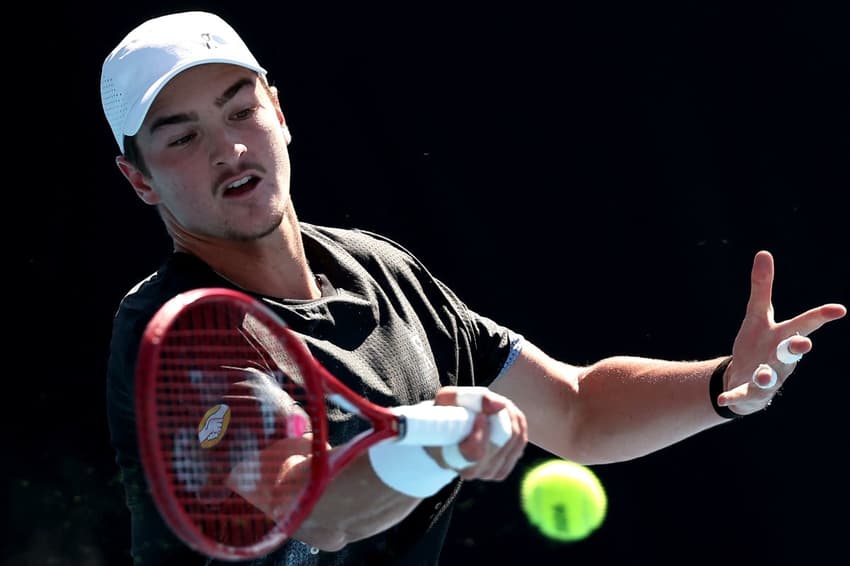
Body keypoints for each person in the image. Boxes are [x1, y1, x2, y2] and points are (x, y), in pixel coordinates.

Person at [100, 10, 846, 566]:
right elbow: (314, 506)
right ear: (140, 180)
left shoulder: (381, 273)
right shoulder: (178, 328)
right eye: (182, 136)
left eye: (241, 109)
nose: (229, 146)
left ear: (280, 115)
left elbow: (578, 408)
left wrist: (723, 386)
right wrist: (433, 444)